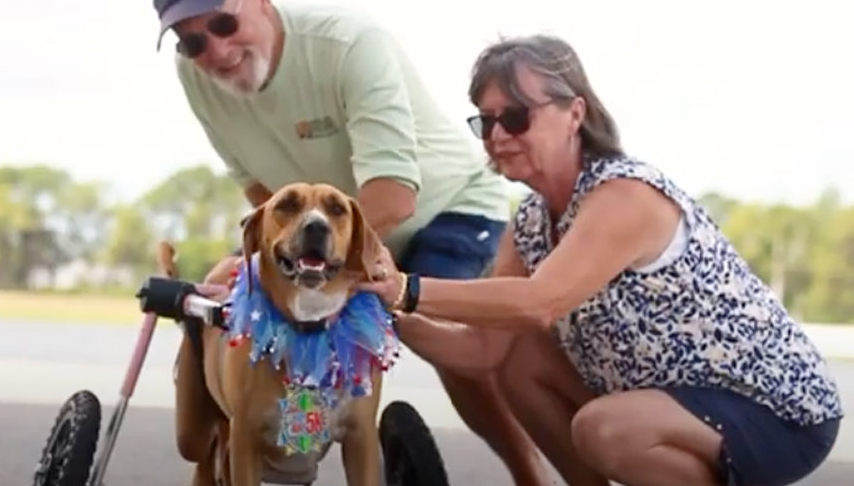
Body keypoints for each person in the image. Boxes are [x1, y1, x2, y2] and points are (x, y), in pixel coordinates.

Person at [359, 33, 845, 486]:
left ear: (575, 113)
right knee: (515, 357)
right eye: (486, 121)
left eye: (516, 116)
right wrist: (377, 310)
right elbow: (483, 351)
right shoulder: (530, 222)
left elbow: (539, 302)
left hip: (772, 411)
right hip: (666, 404)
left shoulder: (624, 193)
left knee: (603, 429)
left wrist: (405, 287)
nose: (497, 134)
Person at [148, 0, 556, 483]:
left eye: (224, 25)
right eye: (192, 41)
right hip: (324, 239)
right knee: (261, 313)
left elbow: (395, 194)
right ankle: (286, 444)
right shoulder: (197, 76)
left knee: (441, 339)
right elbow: (262, 192)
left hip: (443, 207)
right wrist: (264, 263)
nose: (215, 50)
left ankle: (529, 472)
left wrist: (334, 276)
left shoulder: (349, 44)